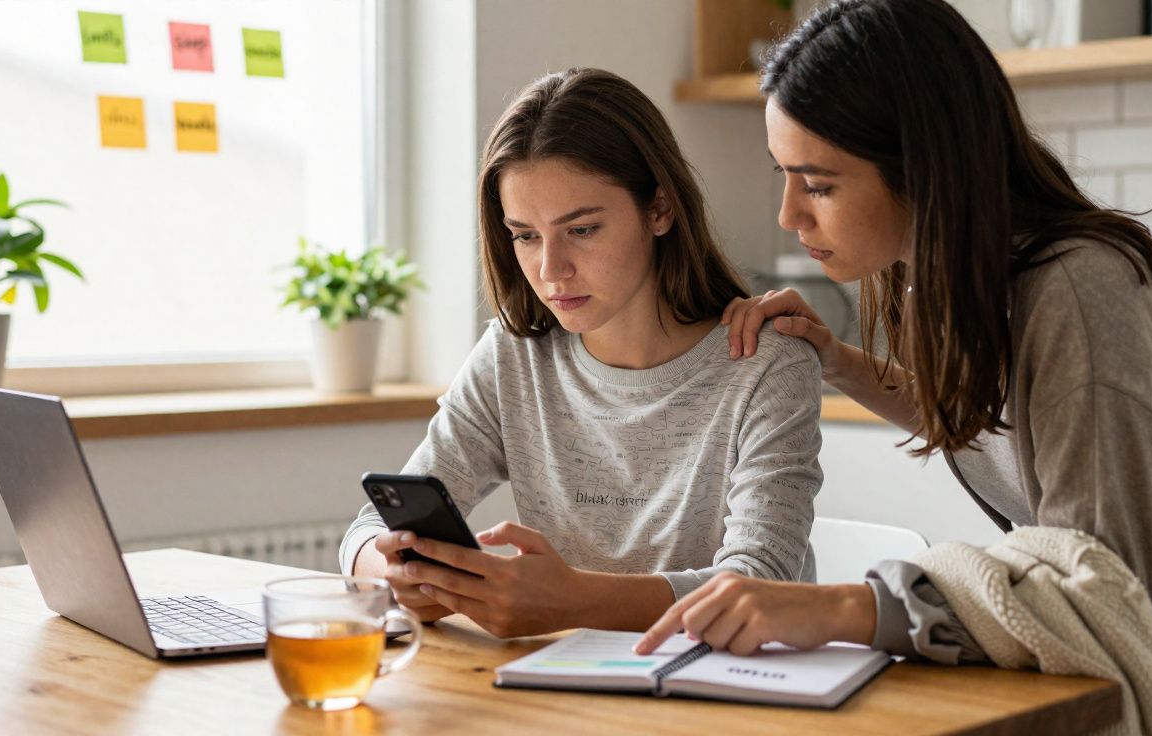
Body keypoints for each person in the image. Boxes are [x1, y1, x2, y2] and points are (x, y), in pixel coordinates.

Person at [635, 0, 1152, 719]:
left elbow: (1094, 585)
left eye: (818, 184)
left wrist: (846, 608)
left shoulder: (1081, 294)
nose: (789, 214)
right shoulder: (945, 269)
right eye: (784, 174)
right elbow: (990, 421)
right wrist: (836, 358)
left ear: (925, 170)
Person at [337, 68, 825, 639]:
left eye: (583, 229)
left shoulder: (766, 362)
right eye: (524, 235)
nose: (550, 270)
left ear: (660, 210)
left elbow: (760, 581)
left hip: (729, 694)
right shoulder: (514, 357)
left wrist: (570, 601)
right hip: (561, 688)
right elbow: (368, 528)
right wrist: (392, 572)